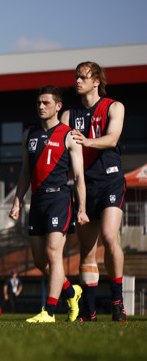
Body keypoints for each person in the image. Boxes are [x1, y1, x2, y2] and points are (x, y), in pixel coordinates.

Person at [10, 85, 89, 323]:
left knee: (54, 254)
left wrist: (82, 207)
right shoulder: (28, 135)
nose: (41, 107)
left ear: (58, 106)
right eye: (39, 103)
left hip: (59, 199)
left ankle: (50, 312)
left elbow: (79, 177)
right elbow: (25, 171)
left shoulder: (69, 135)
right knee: (38, 260)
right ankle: (71, 291)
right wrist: (17, 200)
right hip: (37, 201)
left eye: (46, 103)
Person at [61, 62, 128, 322]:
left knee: (110, 238)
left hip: (110, 180)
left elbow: (112, 138)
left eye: (83, 77)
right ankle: (88, 311)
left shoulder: (114, 106)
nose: (77, 81)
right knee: (87, 251)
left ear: (96, 81)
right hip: (83, 186)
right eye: (76, 76)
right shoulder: (68, 115)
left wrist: (87, 141)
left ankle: (117, 303)